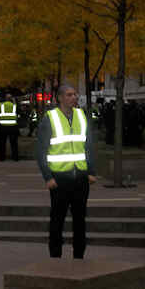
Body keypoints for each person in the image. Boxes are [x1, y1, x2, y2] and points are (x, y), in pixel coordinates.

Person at [36, 84, 97, 259]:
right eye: (70, 95)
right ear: (60, 98)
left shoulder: (81, 115)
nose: (74, 97)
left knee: (80, 221)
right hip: (59, 179)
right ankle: (55, 258)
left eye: (75, 94)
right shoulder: (50, 118)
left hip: (80, 178)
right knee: (57, 221)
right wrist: (48, 177)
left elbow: (89, 146)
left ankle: (79, 257)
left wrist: (92, 171)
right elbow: (40, 151)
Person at [0, 93, 19, 161]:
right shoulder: (14, 106)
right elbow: (18, 115)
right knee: (14, 144)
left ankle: (2, 158)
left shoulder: (1, 105)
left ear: (5, 98)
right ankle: (15, 158)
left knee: (2, 143)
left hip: (3, 127)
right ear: (11, 99)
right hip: (13, 127)